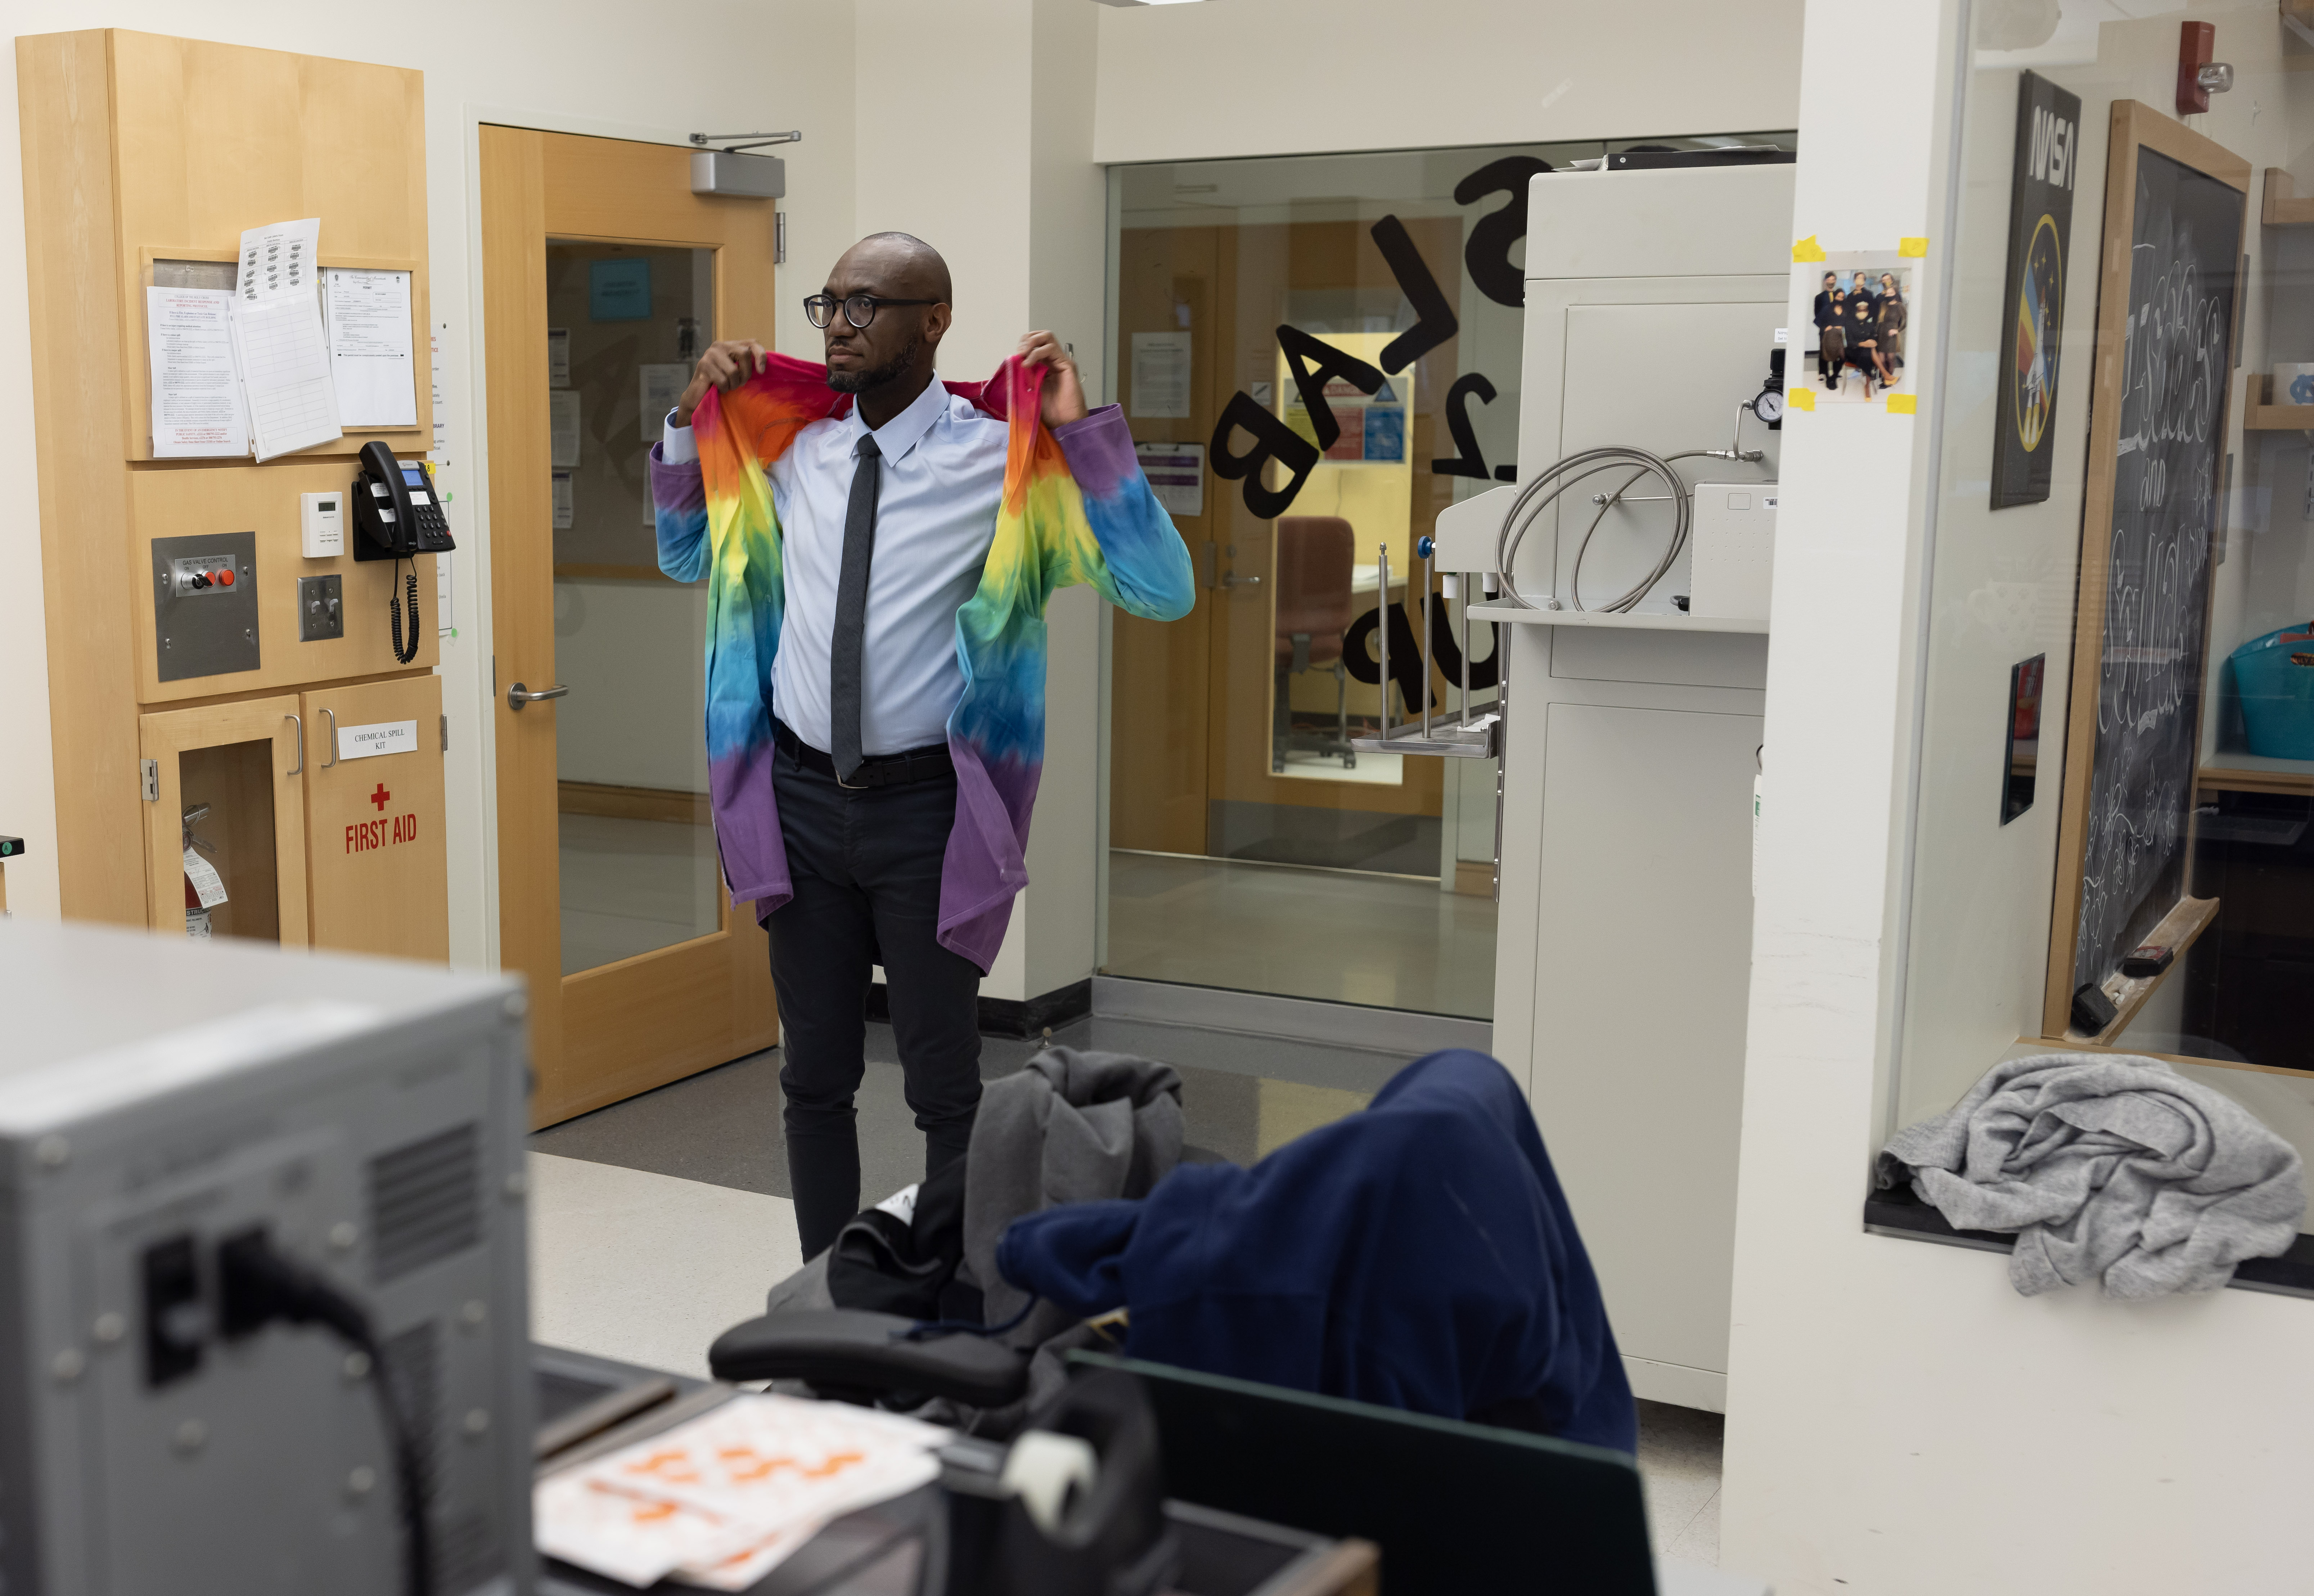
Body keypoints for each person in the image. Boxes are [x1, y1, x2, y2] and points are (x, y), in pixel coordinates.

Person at [648, 233, 1194, 1257]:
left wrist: (1083, 433)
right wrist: (688, 418)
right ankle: (827, 1291)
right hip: (800, 801)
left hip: (926, 814)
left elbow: (1161, 590)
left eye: (867, 306)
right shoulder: (791, 453)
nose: (840, 326)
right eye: (831, 305)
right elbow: (684, 554)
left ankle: (951, 1301)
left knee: (944, 1083)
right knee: (813, 1075)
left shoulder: (999, 463)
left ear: (932, 321)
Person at [1843, 272, 1881, 397]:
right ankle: (1866, 377)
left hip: (1866, 325)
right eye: (1857, 278)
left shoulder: (1869, 294)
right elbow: (1848, 312)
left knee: (1869, 346)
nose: (1860, 280)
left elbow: (1873, 310)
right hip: (1854, 327)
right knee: (1864, 348)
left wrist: (1865, 319)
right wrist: (1855, 320)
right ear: (1854, 281)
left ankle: (1868, 381)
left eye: (1862, 278)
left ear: (1864, 281)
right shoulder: (1850, 296)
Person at [1811, 271, 1844, 392]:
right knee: (1824, 350)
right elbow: (1817, 314)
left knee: (1836, 350)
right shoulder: (1819, 297)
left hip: (1837, 331)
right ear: (1825, 281)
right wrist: (1825, 327)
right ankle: (1823, 373)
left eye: (1834, 280)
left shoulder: (1839, 296)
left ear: (1835, 281)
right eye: (1829, 280)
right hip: (1825, 330)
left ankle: (1835, 371)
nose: (1831, 282)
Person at [1875, 272, 1907, 388]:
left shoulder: (1900, 306)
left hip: (1891, 335)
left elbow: (1905, 322)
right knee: (1881, 359)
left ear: (1896, 294)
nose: (1889, 295)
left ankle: (1888, 381)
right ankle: (1886, 377)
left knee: (1890, 358)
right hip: (1881, 334)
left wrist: (1897, 330)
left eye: (1891, 293)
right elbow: (1879, 320)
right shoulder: (1884, 305)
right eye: (1887, 293)